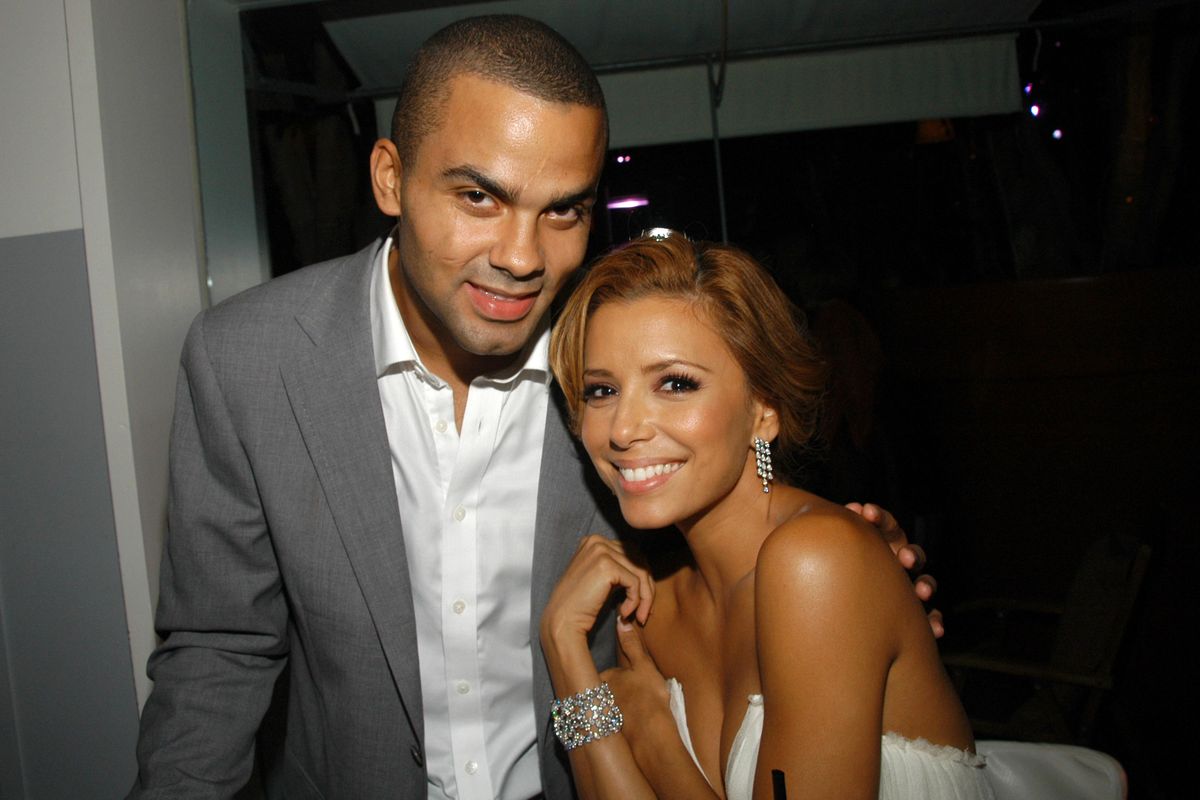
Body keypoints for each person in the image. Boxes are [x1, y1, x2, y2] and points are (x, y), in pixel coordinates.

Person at [130, 15, 937, 799]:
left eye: (564, 210)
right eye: (480, 197)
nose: (521, 258)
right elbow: (219, 646)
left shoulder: (607, 370)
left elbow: (733, 538)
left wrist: (861, 580)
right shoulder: (247, 360)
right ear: (390, 178)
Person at [542, 233, 991, 799]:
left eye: (675, 384)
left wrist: (654, 734)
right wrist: (564, 652)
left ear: (765, 409)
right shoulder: (658, 610)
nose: (624, 428)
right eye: (602, 390)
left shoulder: (816, 562)